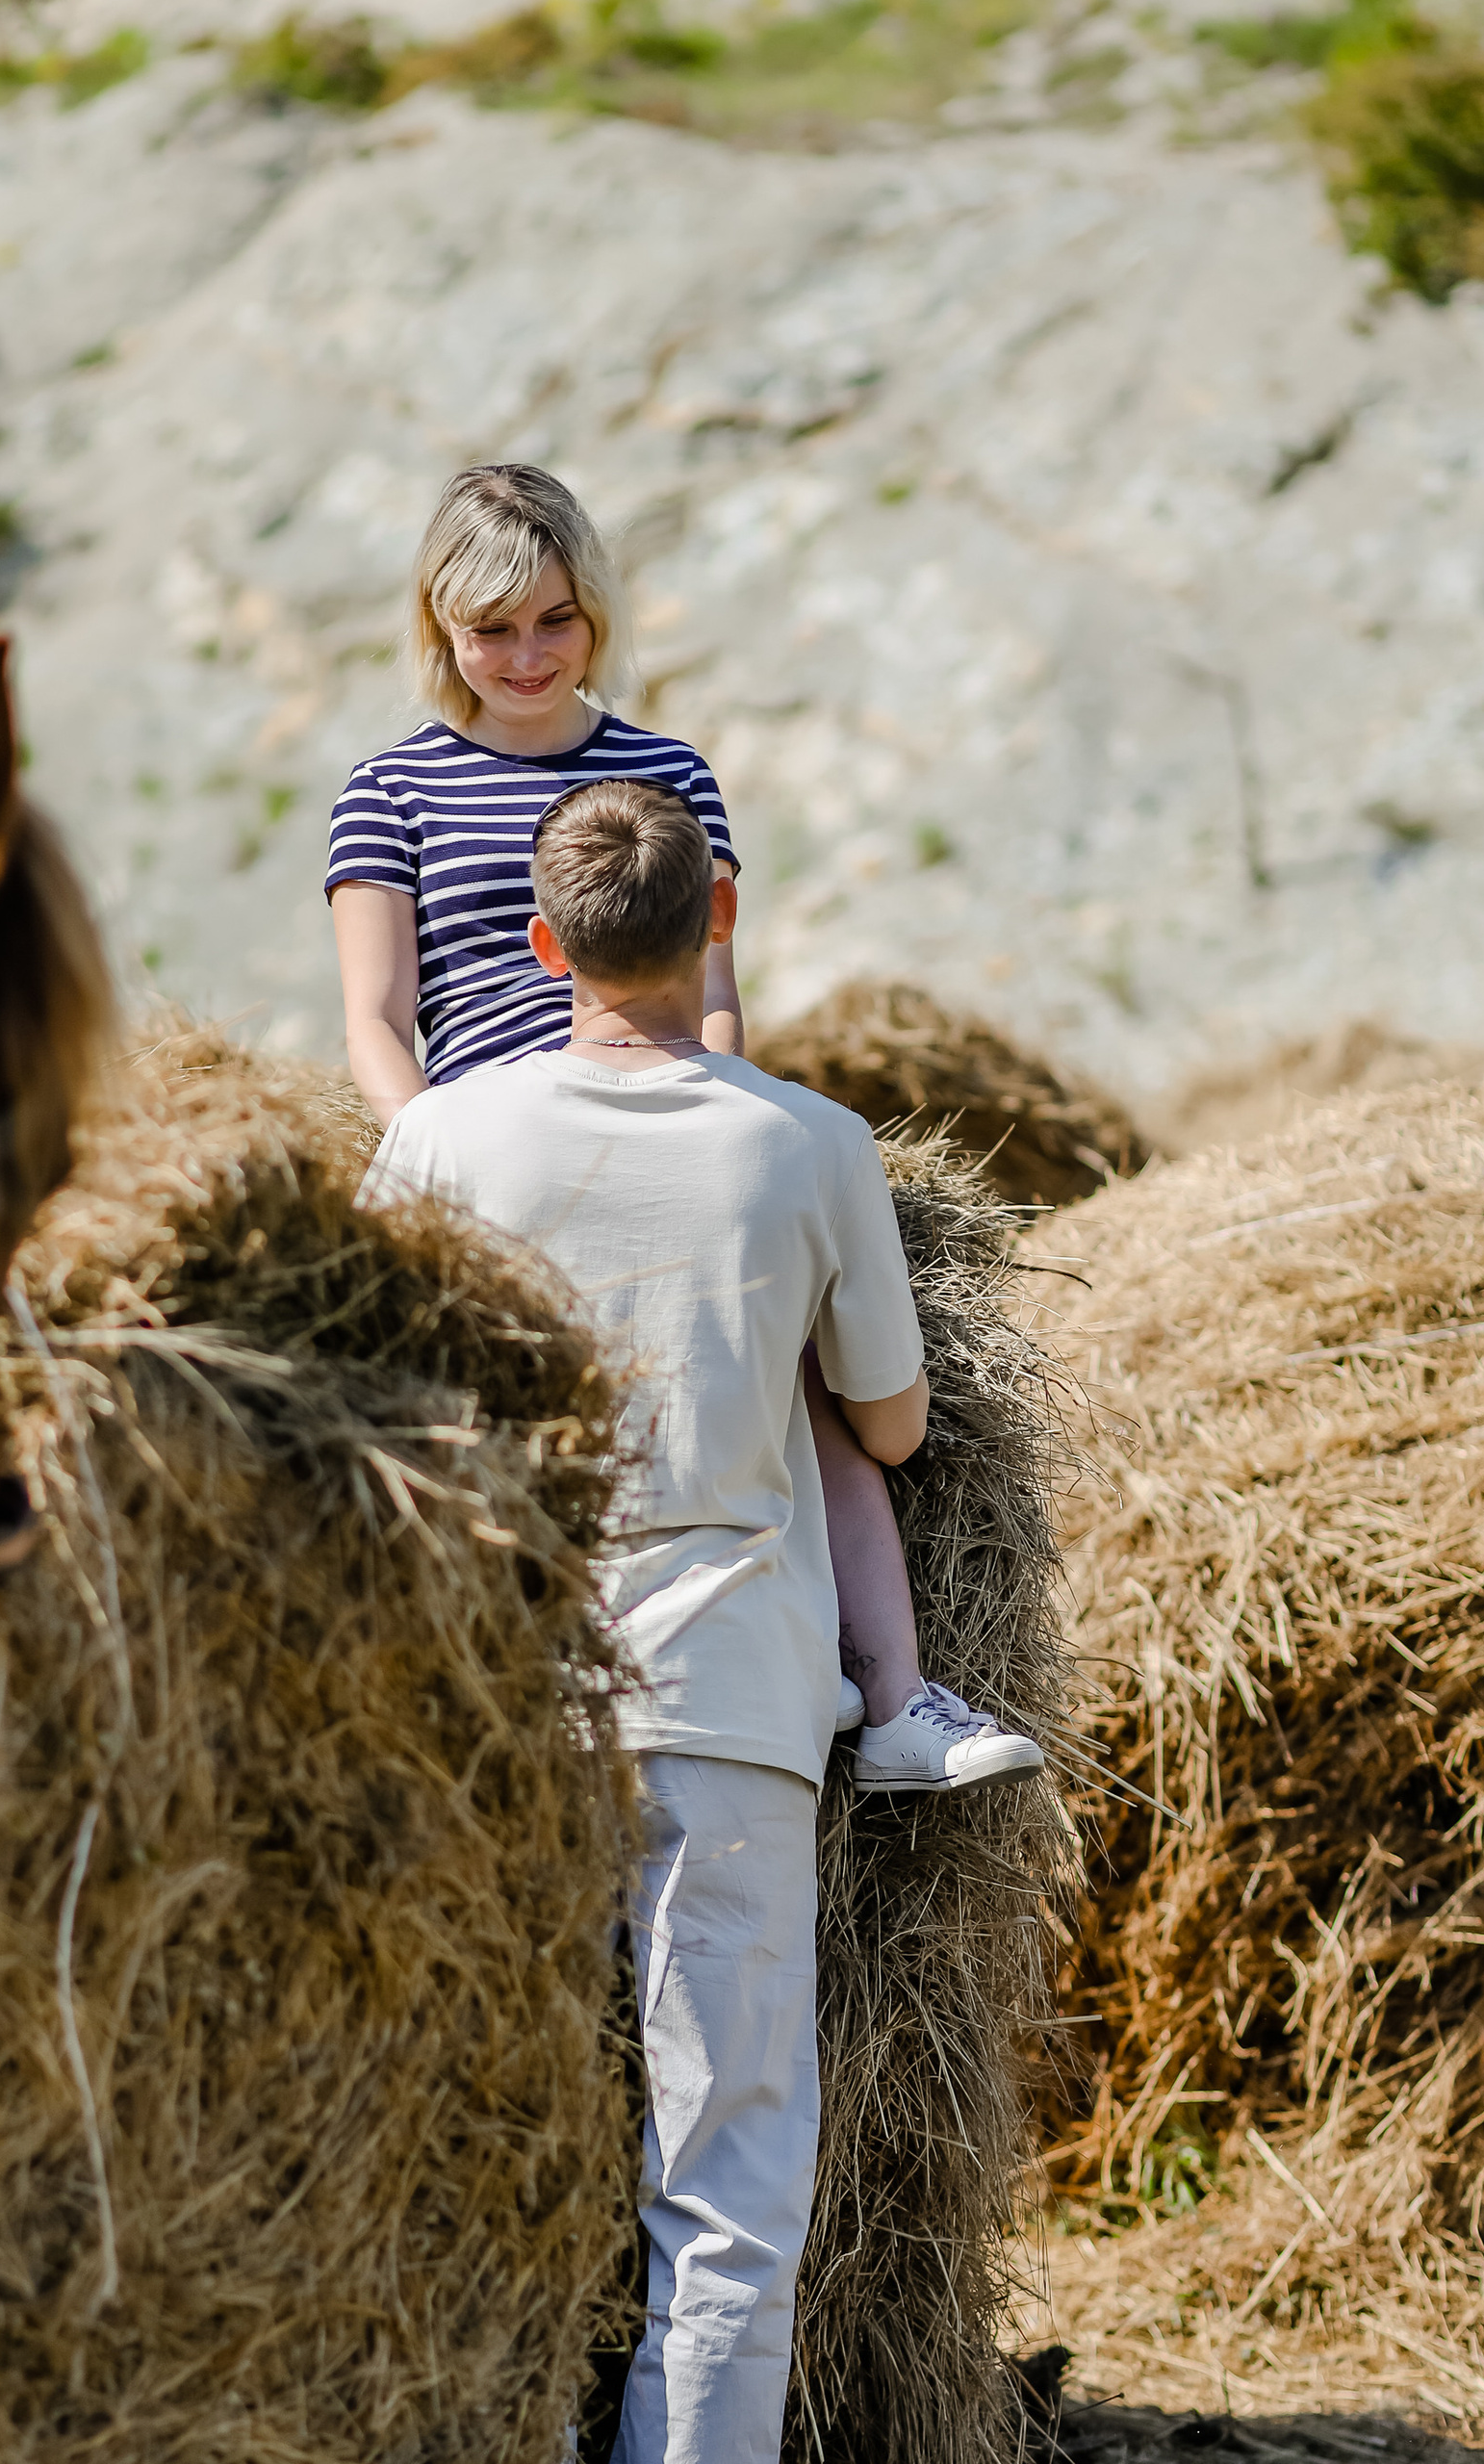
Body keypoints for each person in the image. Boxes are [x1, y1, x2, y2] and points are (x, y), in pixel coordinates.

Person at [357, 780, 1043, 2462]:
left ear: (540, 948)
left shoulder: (446, 1137)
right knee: (726, 2191)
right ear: (715, 928)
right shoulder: (811, 1144)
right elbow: (890, 1427)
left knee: (460, 2163)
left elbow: (363, 1391)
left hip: (496, 1709)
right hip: (727, 1704)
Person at [325, 461, 1012, 1787]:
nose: (526, 654)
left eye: (556, 619)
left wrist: (702, 1132)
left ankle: (899, 1698)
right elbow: (375, 1019)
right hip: (490, 1163)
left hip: (674, 1125)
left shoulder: (665, 769)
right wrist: (441, 1158)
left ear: (596, 612)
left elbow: (718, 997)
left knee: (806, 1369)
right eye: (491, 627)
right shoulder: (389, 791)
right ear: (438, 626)